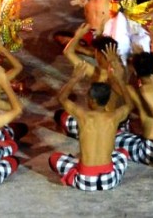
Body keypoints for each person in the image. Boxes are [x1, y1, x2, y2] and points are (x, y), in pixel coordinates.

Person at [49, 62, 131, 191]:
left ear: (92, 100)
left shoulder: (83, 116)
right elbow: (129, 104)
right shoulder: (114, 116)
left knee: (54, 158)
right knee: (122, 152)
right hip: (109, 180)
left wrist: (74, 78)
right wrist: (120, 80)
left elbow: (62, 98)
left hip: (84, 179)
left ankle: (76, 166)